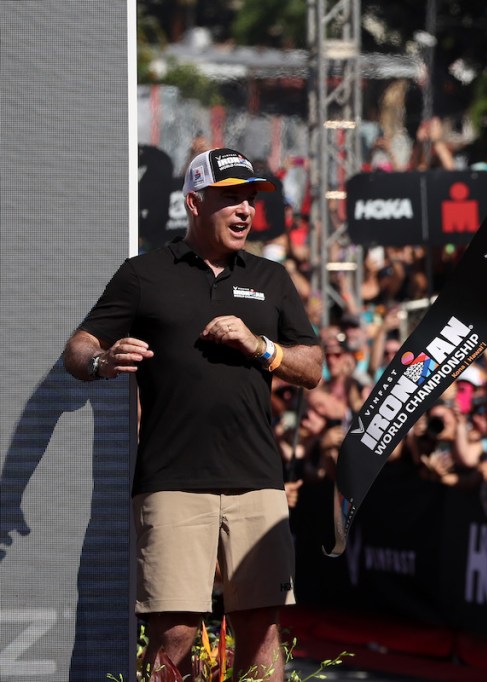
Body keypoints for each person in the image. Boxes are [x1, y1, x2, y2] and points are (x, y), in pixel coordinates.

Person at [62, 147, 323, 681]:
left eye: (250, 198)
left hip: (257, 481)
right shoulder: (143, 274)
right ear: (195, 203)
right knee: (174, 636)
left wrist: (259, 346)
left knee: (261, 629)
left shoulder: (271, 277)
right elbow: (78, 348)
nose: (246, 209)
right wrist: (103, 360)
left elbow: (312, 367)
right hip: (172, 479)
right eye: (232, 198)